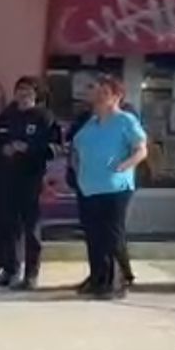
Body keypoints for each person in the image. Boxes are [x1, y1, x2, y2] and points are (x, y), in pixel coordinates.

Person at [0, 76, 61, 289]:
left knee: (31, 228)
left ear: (36, 95)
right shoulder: (7, 116)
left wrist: (29, 149)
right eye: (19, 91)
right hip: (4, 179)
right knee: (7, 226)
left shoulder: (45, 117)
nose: (23, 96)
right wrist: (1, 149)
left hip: (30, 179)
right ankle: (10, 269)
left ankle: (31, 274)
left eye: (28, 92)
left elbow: (56, 148)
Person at [70, 74, 148, 300]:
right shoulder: (90, 123)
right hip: (89, 187)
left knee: (111, 235)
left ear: (117, 96)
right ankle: (97, 278)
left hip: (115, 187)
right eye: (98, 91)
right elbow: (76, 148)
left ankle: (117, 281)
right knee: (93, 235)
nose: (100, 96)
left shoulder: (125, 120)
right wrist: (76, 168)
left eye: (106, 92)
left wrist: (126, 165)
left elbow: (141, 149)